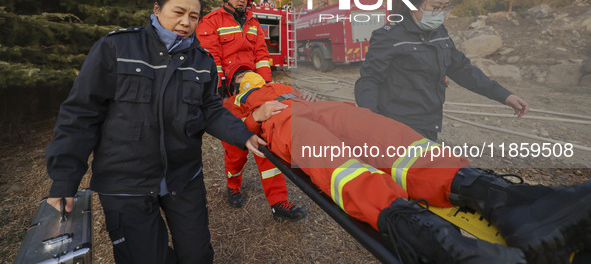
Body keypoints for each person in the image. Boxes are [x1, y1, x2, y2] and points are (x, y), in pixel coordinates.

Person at [225, 70, 591, 264]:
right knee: (330, 158)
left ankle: (505, 198)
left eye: (249, 74)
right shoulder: (235, 102)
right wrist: (253, 117)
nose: (247, 77)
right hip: (280, 123)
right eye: (240, 78)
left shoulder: (278, 82)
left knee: (383, 133)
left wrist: (305, 97)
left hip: (315, 108)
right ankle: (430, 238)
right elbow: (226, 132)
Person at [45, 0, 266, 264]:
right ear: (157, 9)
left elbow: (210, 109)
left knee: (197, 255)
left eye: (194, 16)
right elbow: (80, 114)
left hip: (183, 177)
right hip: (126, 183)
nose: (186, 22)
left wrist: (242, 133)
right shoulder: (116, 47)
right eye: (178, 12)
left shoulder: (202, 61)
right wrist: (65, 180)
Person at [355, 0, 529, 141]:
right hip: (396, 124)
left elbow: (462, 69)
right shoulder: (389, 36)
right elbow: (369, 80)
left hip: (429, 124)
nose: (440, 13)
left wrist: (504, 95)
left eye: (444, 7)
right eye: (435, 7)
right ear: (413, 5)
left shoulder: (439, 33)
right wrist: (372, 124)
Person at [196, 0, 304, 220]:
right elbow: (210, 57)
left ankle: (279, 203)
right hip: (229, 95)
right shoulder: (211, 22)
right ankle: (233, 185)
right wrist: (221, 88)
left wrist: (265, 87)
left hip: (254, 90)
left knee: (267, 145)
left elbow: (262, 55)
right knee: (236, 149)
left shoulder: (254, 22)